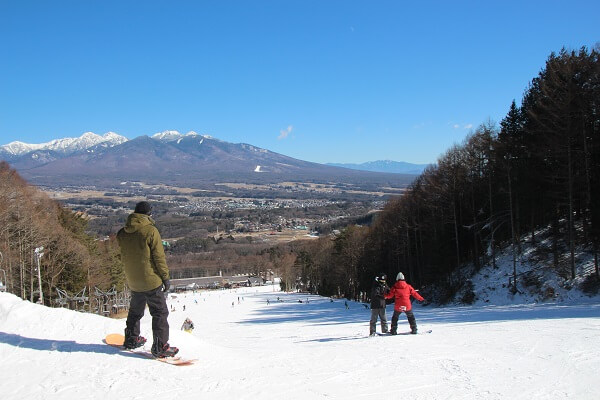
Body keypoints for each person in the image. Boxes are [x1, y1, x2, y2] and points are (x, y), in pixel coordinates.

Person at [117, 201, 179, 358]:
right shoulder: (150, 231)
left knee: (135, 311)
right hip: (150, 279)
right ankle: (160, 346)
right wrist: (165, 278)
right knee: (159, 312)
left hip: (133, 279)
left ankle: (131, 339)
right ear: (149, 214)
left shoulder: (122, 233)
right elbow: (159, 257)